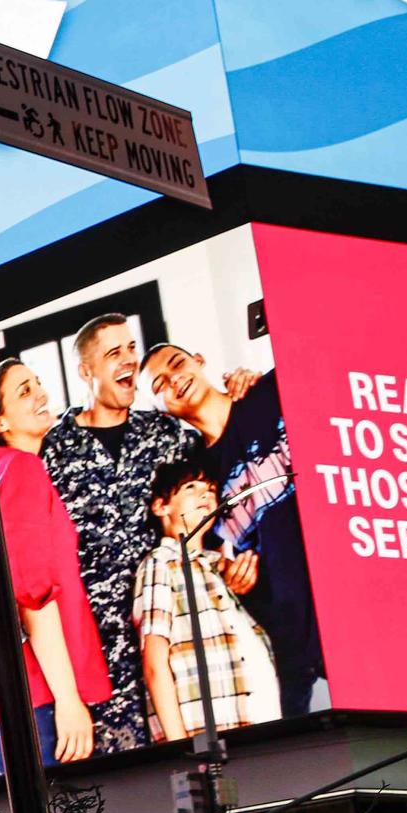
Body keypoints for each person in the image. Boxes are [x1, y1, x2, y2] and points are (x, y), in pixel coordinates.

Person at [38, 313, 257, 753]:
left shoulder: (169, 437)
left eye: (131, 349)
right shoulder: (52, 449)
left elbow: (217, 492)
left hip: (180, 647)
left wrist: (246, 389)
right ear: (86, 371)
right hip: (98, 658)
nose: (129, 361)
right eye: (114, 353)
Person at [141, 342, 324, 715]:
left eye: (177, 363)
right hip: (285, 644)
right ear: (160, 408)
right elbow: (212, 565)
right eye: (159, 384)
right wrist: (235, 579)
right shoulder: (197, 481)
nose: (174, 379)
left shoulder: (268, 392)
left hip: (351, 604)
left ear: (199, 359)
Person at [0, 359, 114, 768]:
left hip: (17, 701)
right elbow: (31, 596)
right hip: (40, 697)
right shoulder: (20, 469)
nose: (40, 392)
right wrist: (68, 700)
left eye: (38, 382)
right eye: (24, 390)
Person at [133, 457, 281, 744]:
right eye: (190, 487)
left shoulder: (218, 566)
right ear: (161, 506)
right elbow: (154, 662)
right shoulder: (161, 564)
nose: (205, 494)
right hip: (207, 735)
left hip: (256, 720)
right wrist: (179, 745)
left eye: (211, 489)